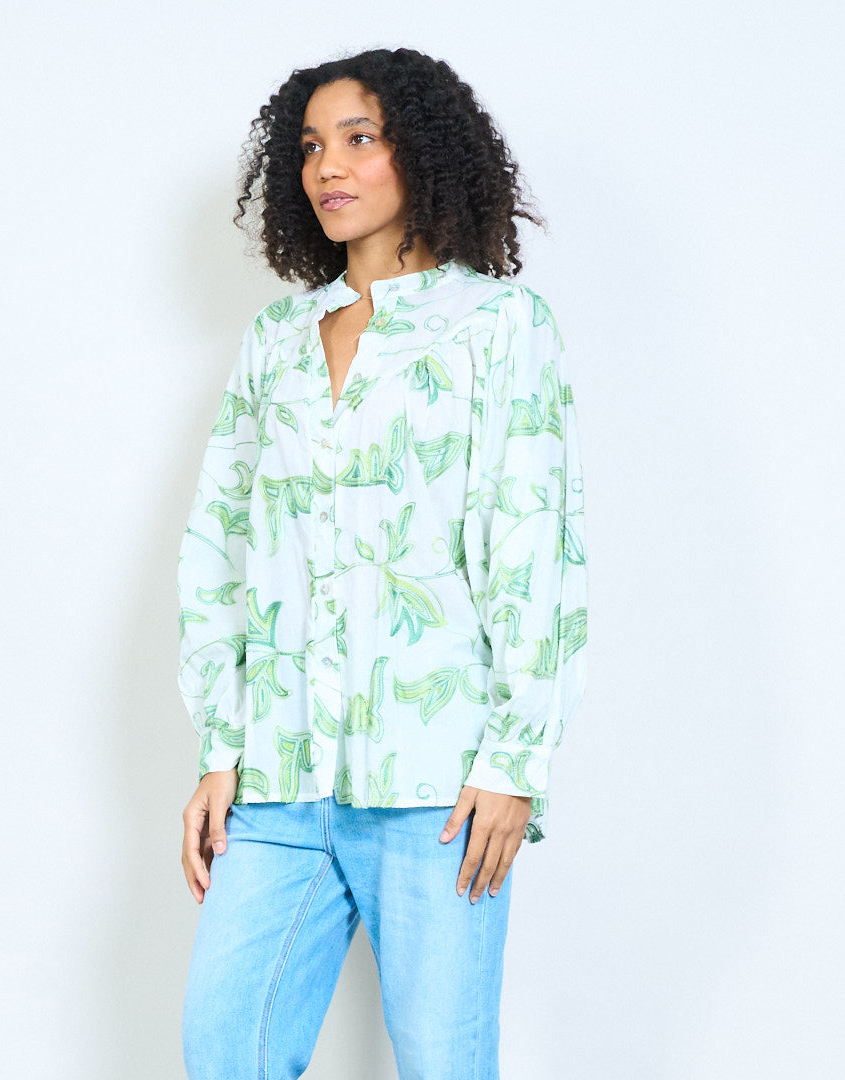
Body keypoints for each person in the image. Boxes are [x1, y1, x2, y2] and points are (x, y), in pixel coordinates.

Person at [175, 46, 588, 1080]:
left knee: (444, 1064)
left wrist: (513, 763)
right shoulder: (277, 340)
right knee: (227, 1054)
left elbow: (533, 546)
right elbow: (220, 544)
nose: (329, 166)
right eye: (312, 145)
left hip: (437, 789)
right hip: (277, 782)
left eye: (359, 138)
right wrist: (222, 748)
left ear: (425, 152)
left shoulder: (500, 327)